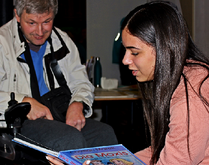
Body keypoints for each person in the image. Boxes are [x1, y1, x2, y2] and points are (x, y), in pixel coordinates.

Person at [48, 1, 209, 165]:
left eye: (135, 52)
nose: (125, 60)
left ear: (164, 48)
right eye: (125, 50)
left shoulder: (191, 95)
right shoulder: (186, 78)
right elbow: (159, 151)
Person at [0, 0, 118, 161]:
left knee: (103, 134)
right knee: (68, 139)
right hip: (15, 124)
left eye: (47, 21)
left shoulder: (61, 40)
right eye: (32, 22)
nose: (40, 31)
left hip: (57, 113)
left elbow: (81, 83)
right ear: (17, 15)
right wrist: (22, 102)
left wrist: (78, 103)